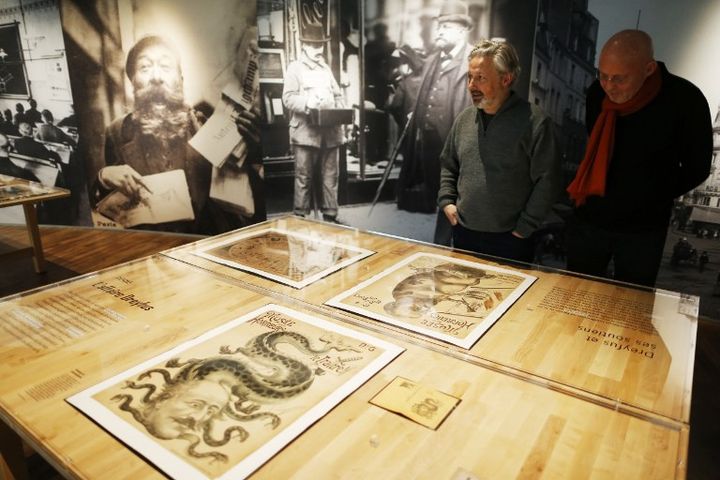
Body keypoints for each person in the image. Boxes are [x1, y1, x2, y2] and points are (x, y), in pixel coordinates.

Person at [565, 30, 712, 287]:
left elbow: (697, 167)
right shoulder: (596, 95)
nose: (609, 86)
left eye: (619, 79)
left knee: (632, 304)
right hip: (591, 219)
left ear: (648, 69)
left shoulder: (685, 99)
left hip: (643, 229)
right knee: (576, 294)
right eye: (603, 75)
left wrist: (653, 192)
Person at [91, 35, 263, 234]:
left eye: (165, 66)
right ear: (133, 81)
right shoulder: (117, 132)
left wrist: (256, 153)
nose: (156, 76)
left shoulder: (207, 123)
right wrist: (104, 177)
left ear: (180, 80)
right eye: (145, 67)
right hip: (152, 250)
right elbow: (105, 211)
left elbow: (246, 199)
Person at [437, 39, 560, 263]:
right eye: (469, 77)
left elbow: (547, 181)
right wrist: (447, 201)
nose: (471, 85)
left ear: (506, 79)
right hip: (464, 234)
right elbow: (448, 163)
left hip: (511, 240)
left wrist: (525, 228)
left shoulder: (536, 123)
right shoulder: (464, 119)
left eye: (480, 78)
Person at [396, 1, 474, 245]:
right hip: (430, 143)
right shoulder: (434, 59)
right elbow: (422, 92)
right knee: (441, 196)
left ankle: (449, 245)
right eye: (439, 26)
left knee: (454, 197)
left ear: (461, 30)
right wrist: (415, 114)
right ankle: (444, 242)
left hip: (459, 143)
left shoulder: (475, 61)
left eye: (446, 26)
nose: (439, 31)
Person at [282, 23, 346, 224]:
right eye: (314, 46)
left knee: (330, 177)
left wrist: (342, 109)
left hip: (330, 133)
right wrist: (307, 103)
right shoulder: (295, 68)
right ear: (305, 46)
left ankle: (330, 216)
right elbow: (288, 98)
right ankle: (300, 217)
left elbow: (337, 94)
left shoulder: (325, 68)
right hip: (305, 133)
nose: (319, 50)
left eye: (321, 46)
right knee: (303, 178)